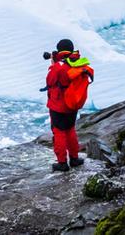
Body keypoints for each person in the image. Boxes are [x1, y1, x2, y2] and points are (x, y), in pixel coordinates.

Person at [46, 38, 86, 172]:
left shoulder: (59, 66)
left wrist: (53, 64)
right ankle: (74, 158)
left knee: (59, 132)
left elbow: (50, 81)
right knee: (70, 130)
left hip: (58, 106)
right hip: (73, 104)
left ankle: (62, 162)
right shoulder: (78, 64)